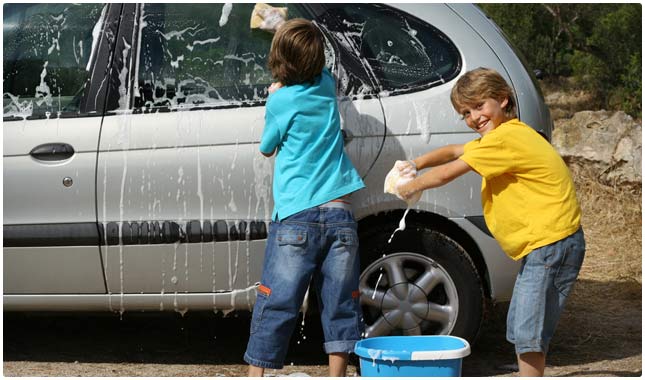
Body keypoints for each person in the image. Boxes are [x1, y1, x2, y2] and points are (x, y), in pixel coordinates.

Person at [394, 67, 585, 377]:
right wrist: (413, 164)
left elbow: (449, 170)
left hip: (551, 244)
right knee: (525, 323)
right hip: (547, 242)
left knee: (528, 329)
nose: (474, 117)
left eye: (480, 106)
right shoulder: (505, 135)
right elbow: (452, 150)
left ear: (503, 100)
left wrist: (411, 186)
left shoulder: (505, 141)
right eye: (465, 113)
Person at [243, 18, 365, 377]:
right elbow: (318, 67)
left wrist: (274, 96)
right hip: (340, 213)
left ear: (278, 60)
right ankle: (337, 375)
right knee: (341, 304)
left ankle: (257, 375)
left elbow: (267, 148)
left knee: (277, 302)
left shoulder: (281, 100)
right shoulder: (327, 85)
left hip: (297, 216)